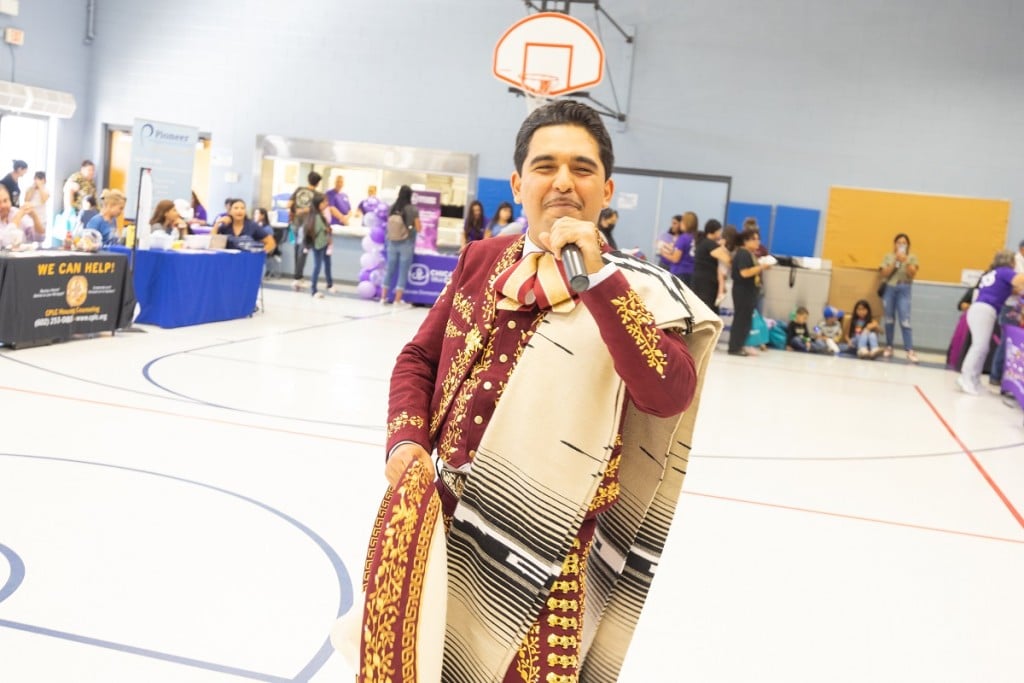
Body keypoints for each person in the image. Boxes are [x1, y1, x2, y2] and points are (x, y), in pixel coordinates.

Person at [363, 100, 720, 682]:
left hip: (545, 550)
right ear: (518, 184)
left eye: (582, 168)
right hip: (440, 522)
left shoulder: (641, 287)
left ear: (606, 190)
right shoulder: (482, 259)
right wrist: (406, 441)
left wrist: (599, 277)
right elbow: (420, 358)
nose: (562, 182)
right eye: (545, 166)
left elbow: (668, 393)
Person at [958, 250, 1024, 394]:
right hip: (984, 310)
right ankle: (965, 377)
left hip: (980, 309)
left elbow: (1013, 289)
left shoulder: (994, 273)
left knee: (983, 347)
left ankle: (974, 379)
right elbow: (1020, 280)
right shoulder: (1005, 272)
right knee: (979, 346)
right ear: (1010, 262)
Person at [728, 227, 770, 356]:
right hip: (743, 291)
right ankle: (734, 347)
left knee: (745, 319)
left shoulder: (749, 254)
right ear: (745, 241)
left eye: (758, 239)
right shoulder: (743, 254)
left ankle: (739, 345)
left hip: (749, 291)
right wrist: (761, 267)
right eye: (754, 239)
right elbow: (744, 272)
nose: (757, 242)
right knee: (741, 319)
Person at [879, 232, 920, 362]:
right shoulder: (888, 256)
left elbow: (912, 274)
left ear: (908, 245)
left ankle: (909, 350)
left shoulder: (912, 257)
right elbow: (884, 273)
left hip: (904, 288)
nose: (901, 245)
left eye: (904, 243)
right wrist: (896, 261)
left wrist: (905, 261)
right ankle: (889, 346)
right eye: (899, 242)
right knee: (889, 319)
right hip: (890, 288)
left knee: (905, 320)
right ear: (894, 244)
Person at [379, 184, 419, 306]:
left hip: (392, 242)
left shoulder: (392, 207)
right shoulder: (412, 209)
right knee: (403, 271)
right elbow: (419, 227)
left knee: (389, 270)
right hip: (406, 243)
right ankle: (397, 300)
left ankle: (383, 297)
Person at [289, 172, 321, 290]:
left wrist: (296, 211)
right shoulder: (317, 195)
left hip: (295, 224)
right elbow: (316, 210)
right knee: (303, 251)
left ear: (308, 179)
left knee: (297, 249)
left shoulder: (299, 190)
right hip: (307, 226)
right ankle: (297, 278)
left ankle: (298, 276)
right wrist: (305, 210)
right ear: (318, 183)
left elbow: (289, 204)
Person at [691, 218, 730, 313]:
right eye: (720, 231)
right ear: (715, 231)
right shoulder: (710, 244)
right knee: (707, 310)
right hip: (706, 285)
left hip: (700, 282)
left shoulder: (703, 242)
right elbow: (727, 259)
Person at [303, 193, 335, 298]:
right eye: (324, 202)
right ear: (319, 204)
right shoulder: (317, 217)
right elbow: (320, 230)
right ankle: (314, 290)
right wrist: (327, 230)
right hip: (319, 245)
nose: (327, 203)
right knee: (317, 267)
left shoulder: (318, 215)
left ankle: (329, 284)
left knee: (327, 264)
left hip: (323, 244)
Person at [657, 210, 696, 285]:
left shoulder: (683, 238)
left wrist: (662, 252)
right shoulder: (693, 237)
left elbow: (675, 259)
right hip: (690, 271)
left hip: (680, 272)